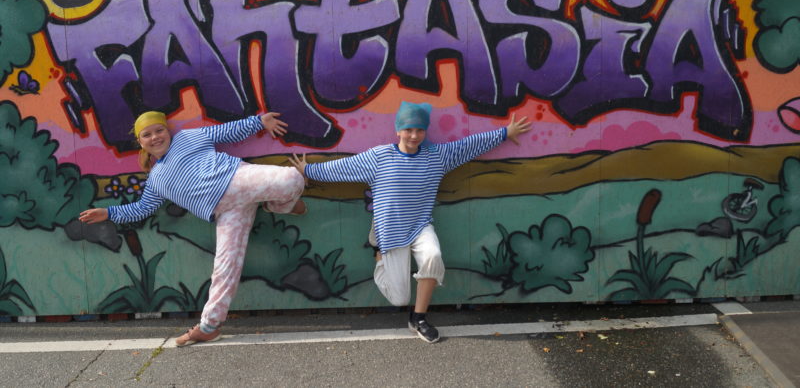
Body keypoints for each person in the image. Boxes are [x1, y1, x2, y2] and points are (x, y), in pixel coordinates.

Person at [290, 102, 531, 343]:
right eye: (408, 130)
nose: (414, 136)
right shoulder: (380, 157)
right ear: (398, 131)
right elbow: (343, 168)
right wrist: (308, 170)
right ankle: (378, 254)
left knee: (433, 256)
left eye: (419, 130)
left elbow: (468, 146)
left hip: (420, 226)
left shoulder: (437, 157)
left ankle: (419, 318)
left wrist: (504, 133)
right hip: (390, 230)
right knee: (399, 299)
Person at [79, 111, 306, 346]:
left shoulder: (188, 138)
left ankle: (277, 205)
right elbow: (142, 208)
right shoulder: (156, 179)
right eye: (147, 134)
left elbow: (225, 131)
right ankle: (209, 326)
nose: (155, 137)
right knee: (224, 268)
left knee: (292, 179)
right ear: (140, 142)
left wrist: (258, 121)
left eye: (159, 130)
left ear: (168, 131)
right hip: (226, 212)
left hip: (238, 179)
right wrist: (108, 213)